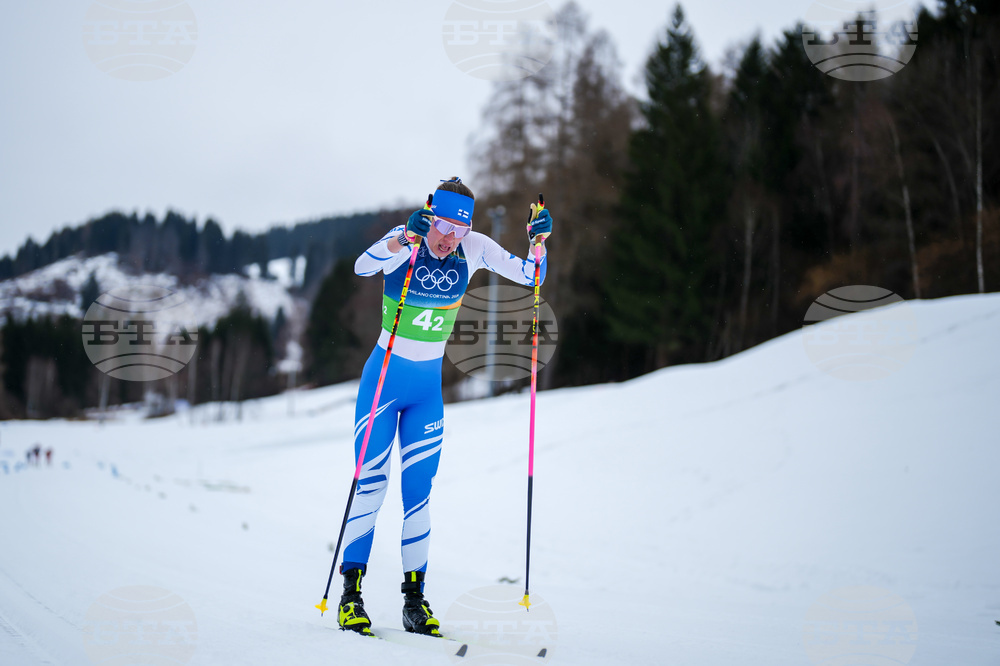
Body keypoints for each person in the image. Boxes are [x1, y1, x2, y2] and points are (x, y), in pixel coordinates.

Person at [336, 177, 553, 637]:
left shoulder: (474, 247)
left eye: (460, 228)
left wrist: (538, 244)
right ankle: (351, 595)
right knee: (372, 487)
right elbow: (360, 266)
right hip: (382, 386)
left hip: (426, 394)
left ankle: (414, 601)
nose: (449, 237)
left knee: (419, 495)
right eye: (442, 226)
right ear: (430, 215)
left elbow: (532, 277)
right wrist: (403, 238)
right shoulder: (407, 238)